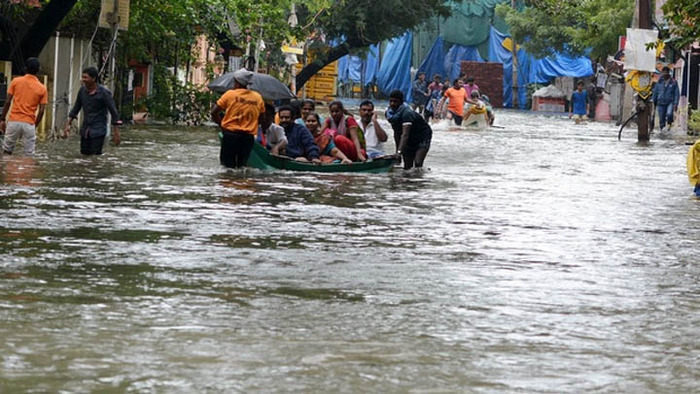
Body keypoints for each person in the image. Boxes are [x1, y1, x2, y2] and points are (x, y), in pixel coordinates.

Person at [210, 68, 264, 168]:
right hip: (248, 138)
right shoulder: (258, 97)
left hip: (230, 135)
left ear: (237, 82)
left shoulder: (230, 94)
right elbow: (261, 117)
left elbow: (214, 112)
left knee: (226, 167)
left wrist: (222, 126)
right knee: (242, 166)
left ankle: (228, 182)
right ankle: (240, 182)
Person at [64, 66, 121, 155]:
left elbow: (113, 112)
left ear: (93, 78)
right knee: (84, 154)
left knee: (95, 156)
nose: (83, 80)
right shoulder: (82, 91)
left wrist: (116, 133)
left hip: (98, 130)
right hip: (85, 130)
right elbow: (76, 108)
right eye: (82, 77)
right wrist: (67, 125)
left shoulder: (104, 93)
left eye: (85, 77)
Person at [1, 57, 47, 156]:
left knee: (6, 152)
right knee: (29, 156)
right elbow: (42, 111)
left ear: (25, 69)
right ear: (38, 70)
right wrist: (34, 125)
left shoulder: (16, 81)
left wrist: (2, 119)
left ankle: (7, 171)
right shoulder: (42, 88)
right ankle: (25, 171)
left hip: (13, 122)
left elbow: (8, 101)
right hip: (29, 123)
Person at [385, 90, 432, 170]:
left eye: (395, 101)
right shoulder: (389, 114)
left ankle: (421, 179)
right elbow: (397, 133)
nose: (392, 104)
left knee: (417, 163)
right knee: (407, 167)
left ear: (401, 102)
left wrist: (399, 152)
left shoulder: (407, 113)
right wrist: (398, 152)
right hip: (409, 138)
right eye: (391, 101)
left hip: (422, 136)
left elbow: (405, 134)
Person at [652, 66, 680, 132]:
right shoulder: (659, 82)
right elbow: (655, 92)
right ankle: (662, 130)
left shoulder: (673, 82)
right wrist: (654, 101)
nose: (664, 74)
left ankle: (669, 124)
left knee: (669, 114)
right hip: (660, 102)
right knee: (661, 119)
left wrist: (676, 103)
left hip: (670, 101)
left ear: (668, 73)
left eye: (665, 72)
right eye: (663, 72)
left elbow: (676, 93)